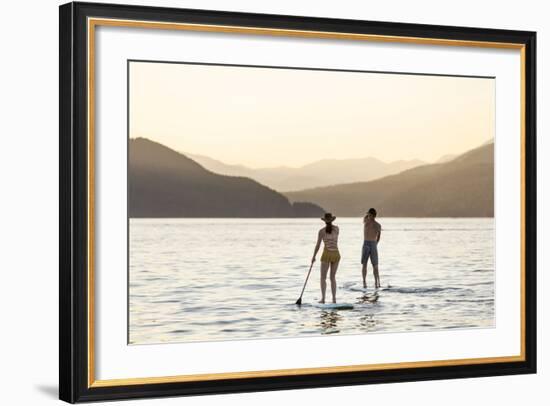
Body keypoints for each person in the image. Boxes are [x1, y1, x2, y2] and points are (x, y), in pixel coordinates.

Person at [312, 213, 341, 304]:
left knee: (323, 278)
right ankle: (334, 299)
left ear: (324, 221)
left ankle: (323, 299)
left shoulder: (321, 231)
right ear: (332, 220)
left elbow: (318, 245)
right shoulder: (337, 229)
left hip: (327, 254)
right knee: (332, 278)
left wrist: (314, 256)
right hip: (336, 254)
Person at [362, 208, 382, 289]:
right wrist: (367, 214)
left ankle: (377, 282)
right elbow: (365, 217)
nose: (368, 216)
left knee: (375, 265)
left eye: (370, 214)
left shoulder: (378, 225)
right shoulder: (366, 221)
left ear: (373, 215)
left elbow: (379, 237)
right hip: (366, 243)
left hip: (373, 244)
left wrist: (375, 244)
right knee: (364, 264)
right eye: (368, 214)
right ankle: (364, 282)